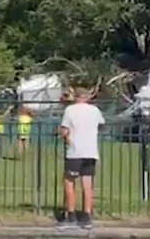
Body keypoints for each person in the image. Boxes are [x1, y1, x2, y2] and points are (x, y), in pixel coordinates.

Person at [57, 88, 104, 230]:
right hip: (91, 151)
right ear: (87, 97)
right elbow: (101, 126)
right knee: (87, 183)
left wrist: (62, 135)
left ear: (75, 97)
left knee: (69, 182)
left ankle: (71, 215)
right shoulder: (95, 110)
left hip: (75, 151)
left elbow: (64, 130)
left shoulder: (70, 110)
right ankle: (86, 216)